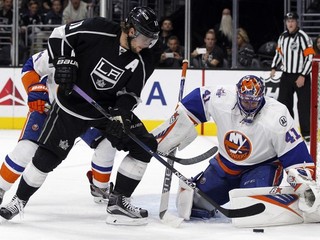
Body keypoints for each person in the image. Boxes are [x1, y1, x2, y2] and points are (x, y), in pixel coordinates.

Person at [0, 6, 159, 226]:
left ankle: (118, 202)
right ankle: (19, 200)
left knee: (144, 145)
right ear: (131, 30)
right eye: (145, 38)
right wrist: (64, 61)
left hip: (105, 112)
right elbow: (58, 35)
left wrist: (121, 115)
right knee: (45, 158)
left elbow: (131, 93)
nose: (147, 45)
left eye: (151, 41)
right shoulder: (97, 29)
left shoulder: (145, 59)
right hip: (70, 108)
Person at [153, 75, 315, 220]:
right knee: (195, 203)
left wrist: (304, 185)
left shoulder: (277, 115)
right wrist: (178, 123)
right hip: (225, 165)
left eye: (254, 102)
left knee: (251, 208)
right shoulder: (222, 97)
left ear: (262, 97)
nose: (249, 106)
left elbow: (296, 155)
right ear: (237, 94)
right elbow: (199, 97)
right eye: (245, 101)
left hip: (261, 166)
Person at [0, 49, 115, 205]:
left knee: (107, 143)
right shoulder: (63, 49)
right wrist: (34, 88)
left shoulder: (107, 57)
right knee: (26, 149)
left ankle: (100, 188)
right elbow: (31, 66)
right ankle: (1, 189)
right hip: (49, 109)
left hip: (84, 115)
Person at [270, 12, 315, 142]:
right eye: (288, 21)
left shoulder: (303, 37)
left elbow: (310, 57)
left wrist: (303, 75)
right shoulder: (282, 37)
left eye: (292, 21)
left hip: (301, 76)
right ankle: (289, 130)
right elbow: (279, 53)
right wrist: (274, 67)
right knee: (284, 104)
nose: (290, 23)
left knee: (304, 106)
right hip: (286, 75)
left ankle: (306, 133)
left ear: (297, 22)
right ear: (285, 22)